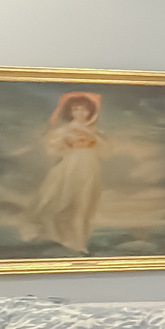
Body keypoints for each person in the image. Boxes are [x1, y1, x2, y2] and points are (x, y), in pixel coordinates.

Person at [30, 89, 110, 253]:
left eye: (83, 109)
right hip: (70, 167)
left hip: (90, 168)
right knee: (66, 203)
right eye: (76, 109)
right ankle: (70, 239)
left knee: (85, 204)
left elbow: (105, 152)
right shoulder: (65, 130)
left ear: (90, 112)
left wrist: (93, 138)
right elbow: (52, 150)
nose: (79, 113)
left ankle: (80, 242)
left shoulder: (96, 131)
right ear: (70, 111)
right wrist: (65, 145)